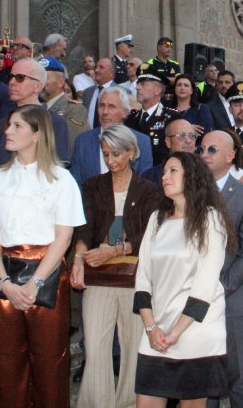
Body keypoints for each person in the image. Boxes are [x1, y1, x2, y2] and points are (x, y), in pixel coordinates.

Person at [0, 105, 86, 406]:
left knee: (50, 357)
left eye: (16, 126)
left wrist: (35, 282)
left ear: (37, 134)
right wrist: (4, 282)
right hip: (2, 274)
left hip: (48, 272)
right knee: (7, 358)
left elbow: (64, 237)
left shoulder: (61, 180)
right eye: (8, 125)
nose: (7, 132)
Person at [133, 152, 234, 406]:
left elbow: (205, 284)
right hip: (155, 330)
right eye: (164, 172)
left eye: (173, 171)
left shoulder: (210, 219)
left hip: (195, 331)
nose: (164, 176)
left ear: (191, 177)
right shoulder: (157, 219)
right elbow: (143, 277)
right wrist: (151, 327)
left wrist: (176, 332)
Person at [70, 124, 159, 408]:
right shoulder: (93, 185)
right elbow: (83, 227)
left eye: (116, 154)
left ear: (132, 152)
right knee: (95, 349)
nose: (110, 161)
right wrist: (78, 259)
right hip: (98, 276)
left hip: (135, 279)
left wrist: (116, 250)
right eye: (106, 154)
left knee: (134, 348)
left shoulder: (149, 190)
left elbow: (151, 234)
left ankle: (129, 404)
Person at [200, 130, 243, 408]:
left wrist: (220, 287)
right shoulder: (188, 191)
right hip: (193, 300)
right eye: (201, 149)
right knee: (204, 379)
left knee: (239, 377)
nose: (204, 155)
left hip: (232, 299)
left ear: (230, 156)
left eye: (212, 149)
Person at [71, 87, 154, 187]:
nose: (105, 112)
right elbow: (76, 183)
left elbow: (145, 183)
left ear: (125, 112)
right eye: (102, 105)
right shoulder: (82, 142)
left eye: (111, 106)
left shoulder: (142, 142)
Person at [125, 63, 182, 166]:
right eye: (138, 83)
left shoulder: (171, 118)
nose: (137, 87)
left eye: (143, 84)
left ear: (157, 90)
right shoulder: (130, 118)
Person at [40, 56, 89, 153]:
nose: (39, 82)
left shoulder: (74, 109)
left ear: (60, 83)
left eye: (44, 78)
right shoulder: (36, 107)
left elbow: (69, 147)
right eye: (37, 77)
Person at [141, 119, 198, 186]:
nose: (188, 141)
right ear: (168, 142)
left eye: (192, 136)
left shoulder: (205, 172)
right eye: (181, 136)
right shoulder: (151, 177)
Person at [173, 73, 213, 138]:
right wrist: (188, 128)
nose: (182, 88)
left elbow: (204, 132)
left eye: (186, 85)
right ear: (174, 89)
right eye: (179, 85)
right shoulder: (167, 109)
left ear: (192, 90)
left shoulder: (201, 108)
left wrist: (176, 131)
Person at [83, 58, 118, 129]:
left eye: (101, 67)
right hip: (90, 136)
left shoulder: (121, 92)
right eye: (96, 67)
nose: (96, 70)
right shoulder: (88, 92)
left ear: (111, 72)